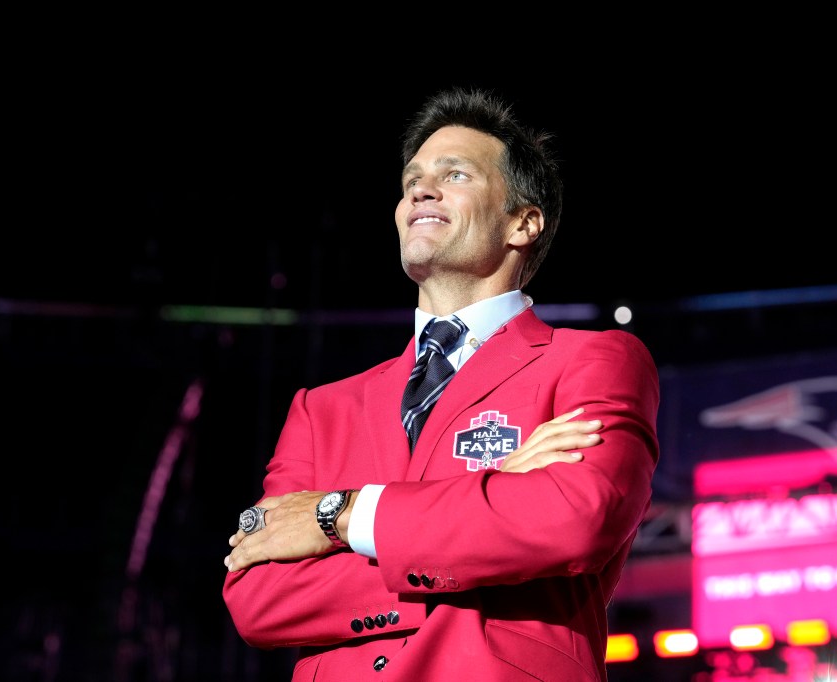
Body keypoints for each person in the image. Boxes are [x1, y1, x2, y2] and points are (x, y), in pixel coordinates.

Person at [222, 87, 660, 681]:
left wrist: (341, 516)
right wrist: (496, 500)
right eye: (411, 180)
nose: (419, 191)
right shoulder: (321, 408)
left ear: (524, 222)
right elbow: (259, 597)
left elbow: (574, 517)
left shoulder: (593, 361)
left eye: (454, 175)